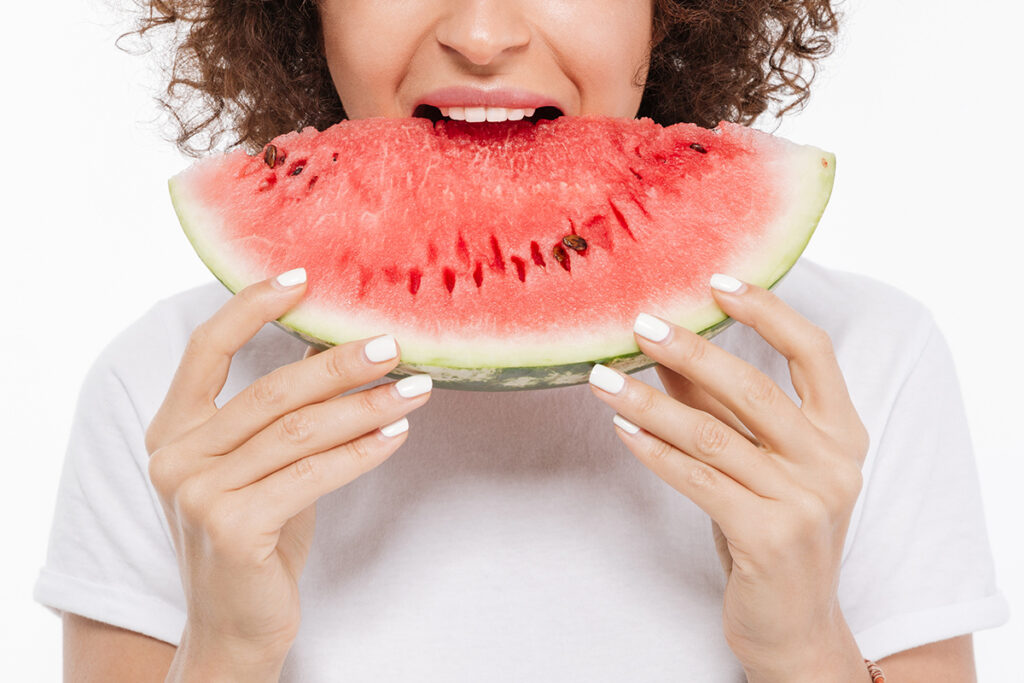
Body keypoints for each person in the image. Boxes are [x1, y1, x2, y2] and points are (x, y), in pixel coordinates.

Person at [35, 0, 1009, 680]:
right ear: (304, 10)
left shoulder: (857, 355)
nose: (482, 34)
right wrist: (224, 656)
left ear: (668, 8)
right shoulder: (170, 390)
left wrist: (803, 648)